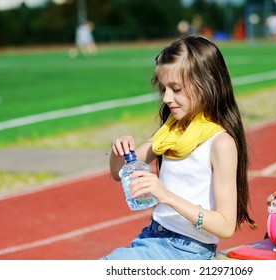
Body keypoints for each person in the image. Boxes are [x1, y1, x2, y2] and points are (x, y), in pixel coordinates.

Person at [101, 34, 255, 260]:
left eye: (175, 88)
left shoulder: (220, 143)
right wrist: (119, 151)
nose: (166, 98)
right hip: (152, 237)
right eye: (163, 88)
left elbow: (225, 226)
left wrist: (167, 196)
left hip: (188, 251)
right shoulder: (169, 132)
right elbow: (118, 172)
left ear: (207, 83)